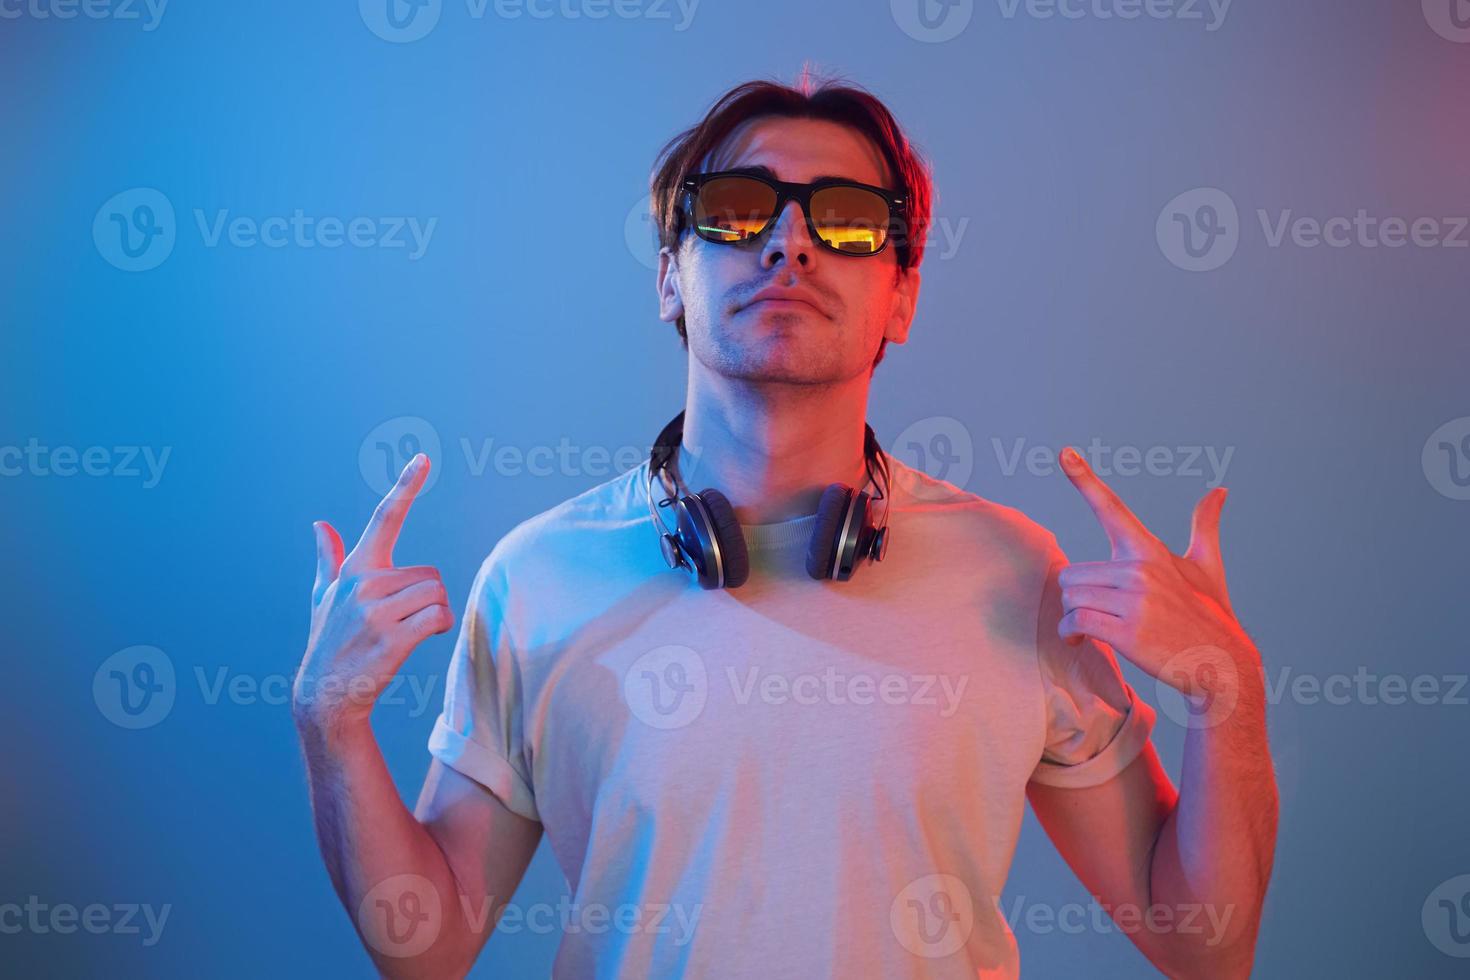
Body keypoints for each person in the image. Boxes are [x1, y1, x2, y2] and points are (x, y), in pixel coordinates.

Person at [293, 72, 1277, 979]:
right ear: (671, 278)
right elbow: (424, 945)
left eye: (847, 221)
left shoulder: (1015, 572)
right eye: (735, 211)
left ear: (902, 297)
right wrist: (329, 723)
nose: (789, 243)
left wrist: (1227, 692)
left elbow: (1206, 944)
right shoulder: (538, 575)